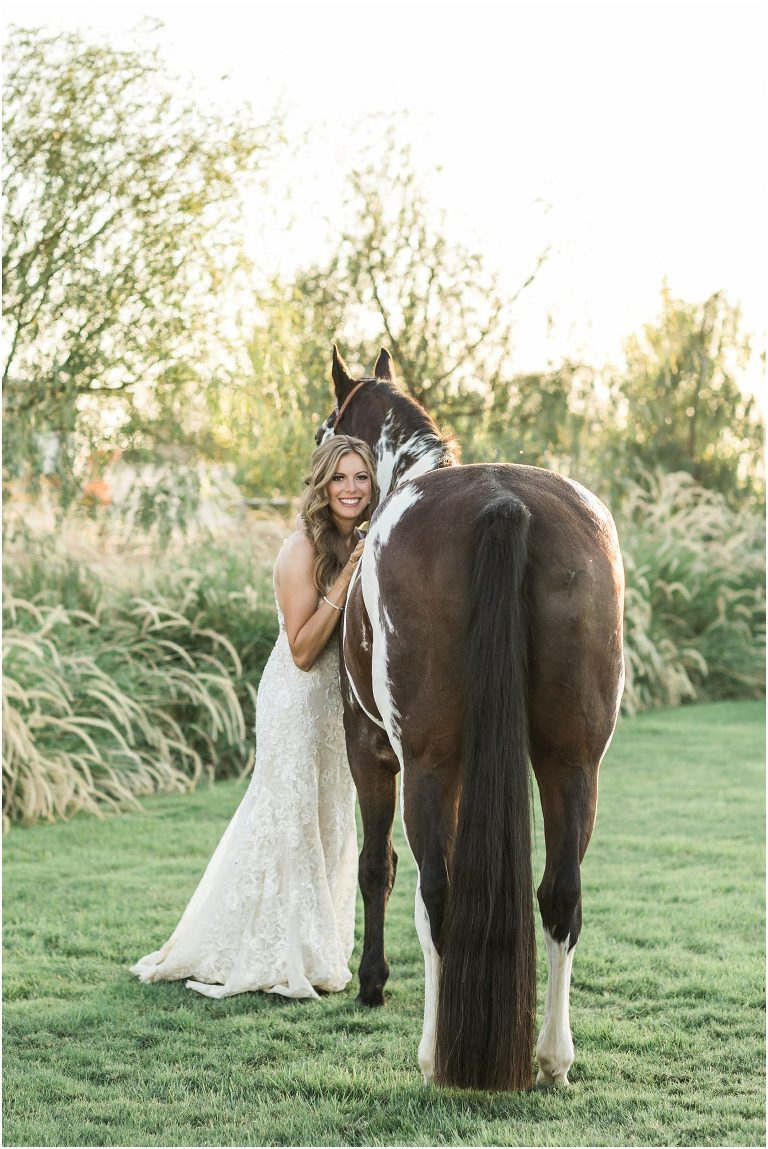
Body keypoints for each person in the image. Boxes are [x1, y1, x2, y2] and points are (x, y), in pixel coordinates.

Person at [131, 436, 379, 999]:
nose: (350, 489)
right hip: (296, 700)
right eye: (339, 478)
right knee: (288, 820)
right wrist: (345, 579)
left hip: (340, 708)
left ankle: (320, 952)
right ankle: (265, 951)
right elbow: (302, 649)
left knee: (331, 821)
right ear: (322, 485)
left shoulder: (364, 545)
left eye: (361, 477)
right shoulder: (301, 550)